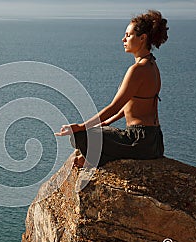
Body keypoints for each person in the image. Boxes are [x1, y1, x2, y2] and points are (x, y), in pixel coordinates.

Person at [55, 10, 169, 168]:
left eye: (128, 35)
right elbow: (128, 107)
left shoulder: (137, 70)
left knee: (79, 137)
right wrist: (105, 123)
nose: (123, 39)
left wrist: (81, 126)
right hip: (155, 141)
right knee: (95, 133)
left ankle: (95, 159)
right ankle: (96, 158)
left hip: (137, 140)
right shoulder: (152, 65)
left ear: (142, 38)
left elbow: (115, 106)